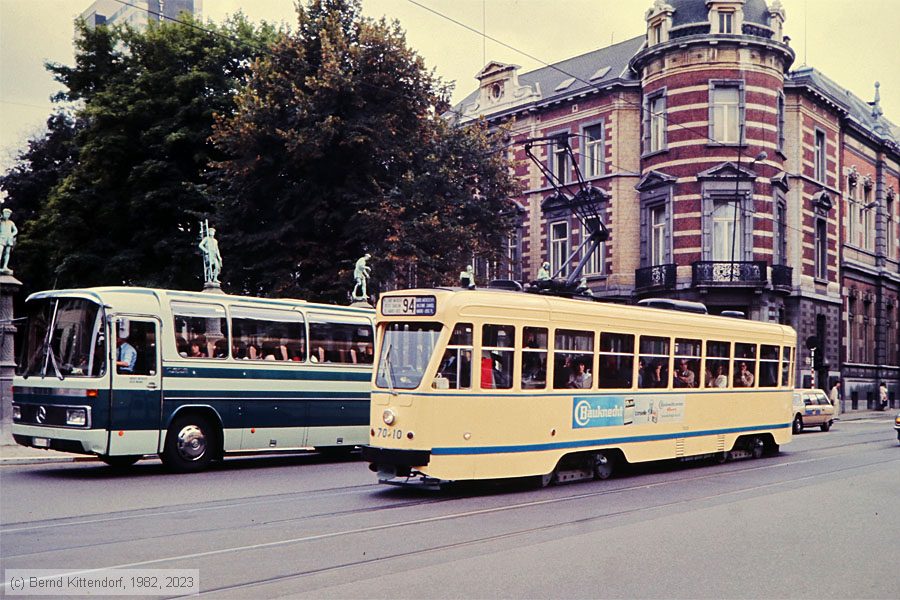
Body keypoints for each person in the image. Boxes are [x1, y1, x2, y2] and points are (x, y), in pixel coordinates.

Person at [0, 208, 18, 273]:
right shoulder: (1, 221)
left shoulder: (11, 222)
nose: (7, 215)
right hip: (1, 238)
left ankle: (5, 266)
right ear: (3, 213)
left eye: (8, 214)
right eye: (6, 213)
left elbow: (16, 230)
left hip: (9, 238)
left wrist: (11, 235)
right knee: (0, 251)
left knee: (7, 253)